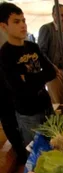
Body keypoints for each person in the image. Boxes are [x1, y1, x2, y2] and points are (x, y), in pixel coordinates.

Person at [0, 2, 56, 146]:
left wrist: (27, 78)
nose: (23, 25)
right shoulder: (5, 54)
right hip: (28, 113)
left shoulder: (33, 46)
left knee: (57, 144)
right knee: (36, 151)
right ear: (3, 26)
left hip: (46, 105)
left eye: (23, 20)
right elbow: (17, 87)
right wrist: (37, 79)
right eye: (16, 21)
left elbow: (51, 72)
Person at [38, 4, 63, 106]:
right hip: (55, 73)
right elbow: (40, 52)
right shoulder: (47, 29)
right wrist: (52, 67)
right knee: (58, 104)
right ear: (54, 15)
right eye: (60, 15)